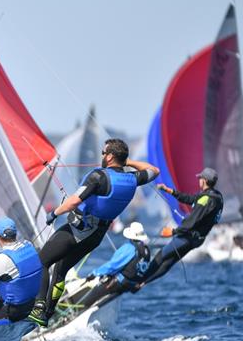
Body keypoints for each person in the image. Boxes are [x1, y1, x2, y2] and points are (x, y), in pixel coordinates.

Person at [27, 138, 159, 326]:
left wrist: (54, 213)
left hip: (78, 231)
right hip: (96, 236)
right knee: (60, 269)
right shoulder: (132, 179)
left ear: (111, 156)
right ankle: (47, 314)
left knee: (41, 262)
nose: (102, 156)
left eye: (104, 153)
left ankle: (39, 308)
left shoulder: (98, 176)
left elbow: (74, 201)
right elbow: (154, 170)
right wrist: (127, 162)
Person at [141, 167, 223, 285]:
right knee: (169, 261)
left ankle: (140, 280)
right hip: (198, 239)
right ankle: (144, 282)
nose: (199, 180)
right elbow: (191, 199)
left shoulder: (206, 199)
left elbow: (192, 221)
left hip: (188, 236)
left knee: (161, 255)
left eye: (200, 178)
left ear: (204, 180)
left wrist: (173, 232)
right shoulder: (216, 196)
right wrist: (170, 191)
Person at [0, 217, 42, 325]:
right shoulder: (29, 245)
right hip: (33, 303)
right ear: (15, 234)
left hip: (14, 312)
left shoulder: (1, 259)